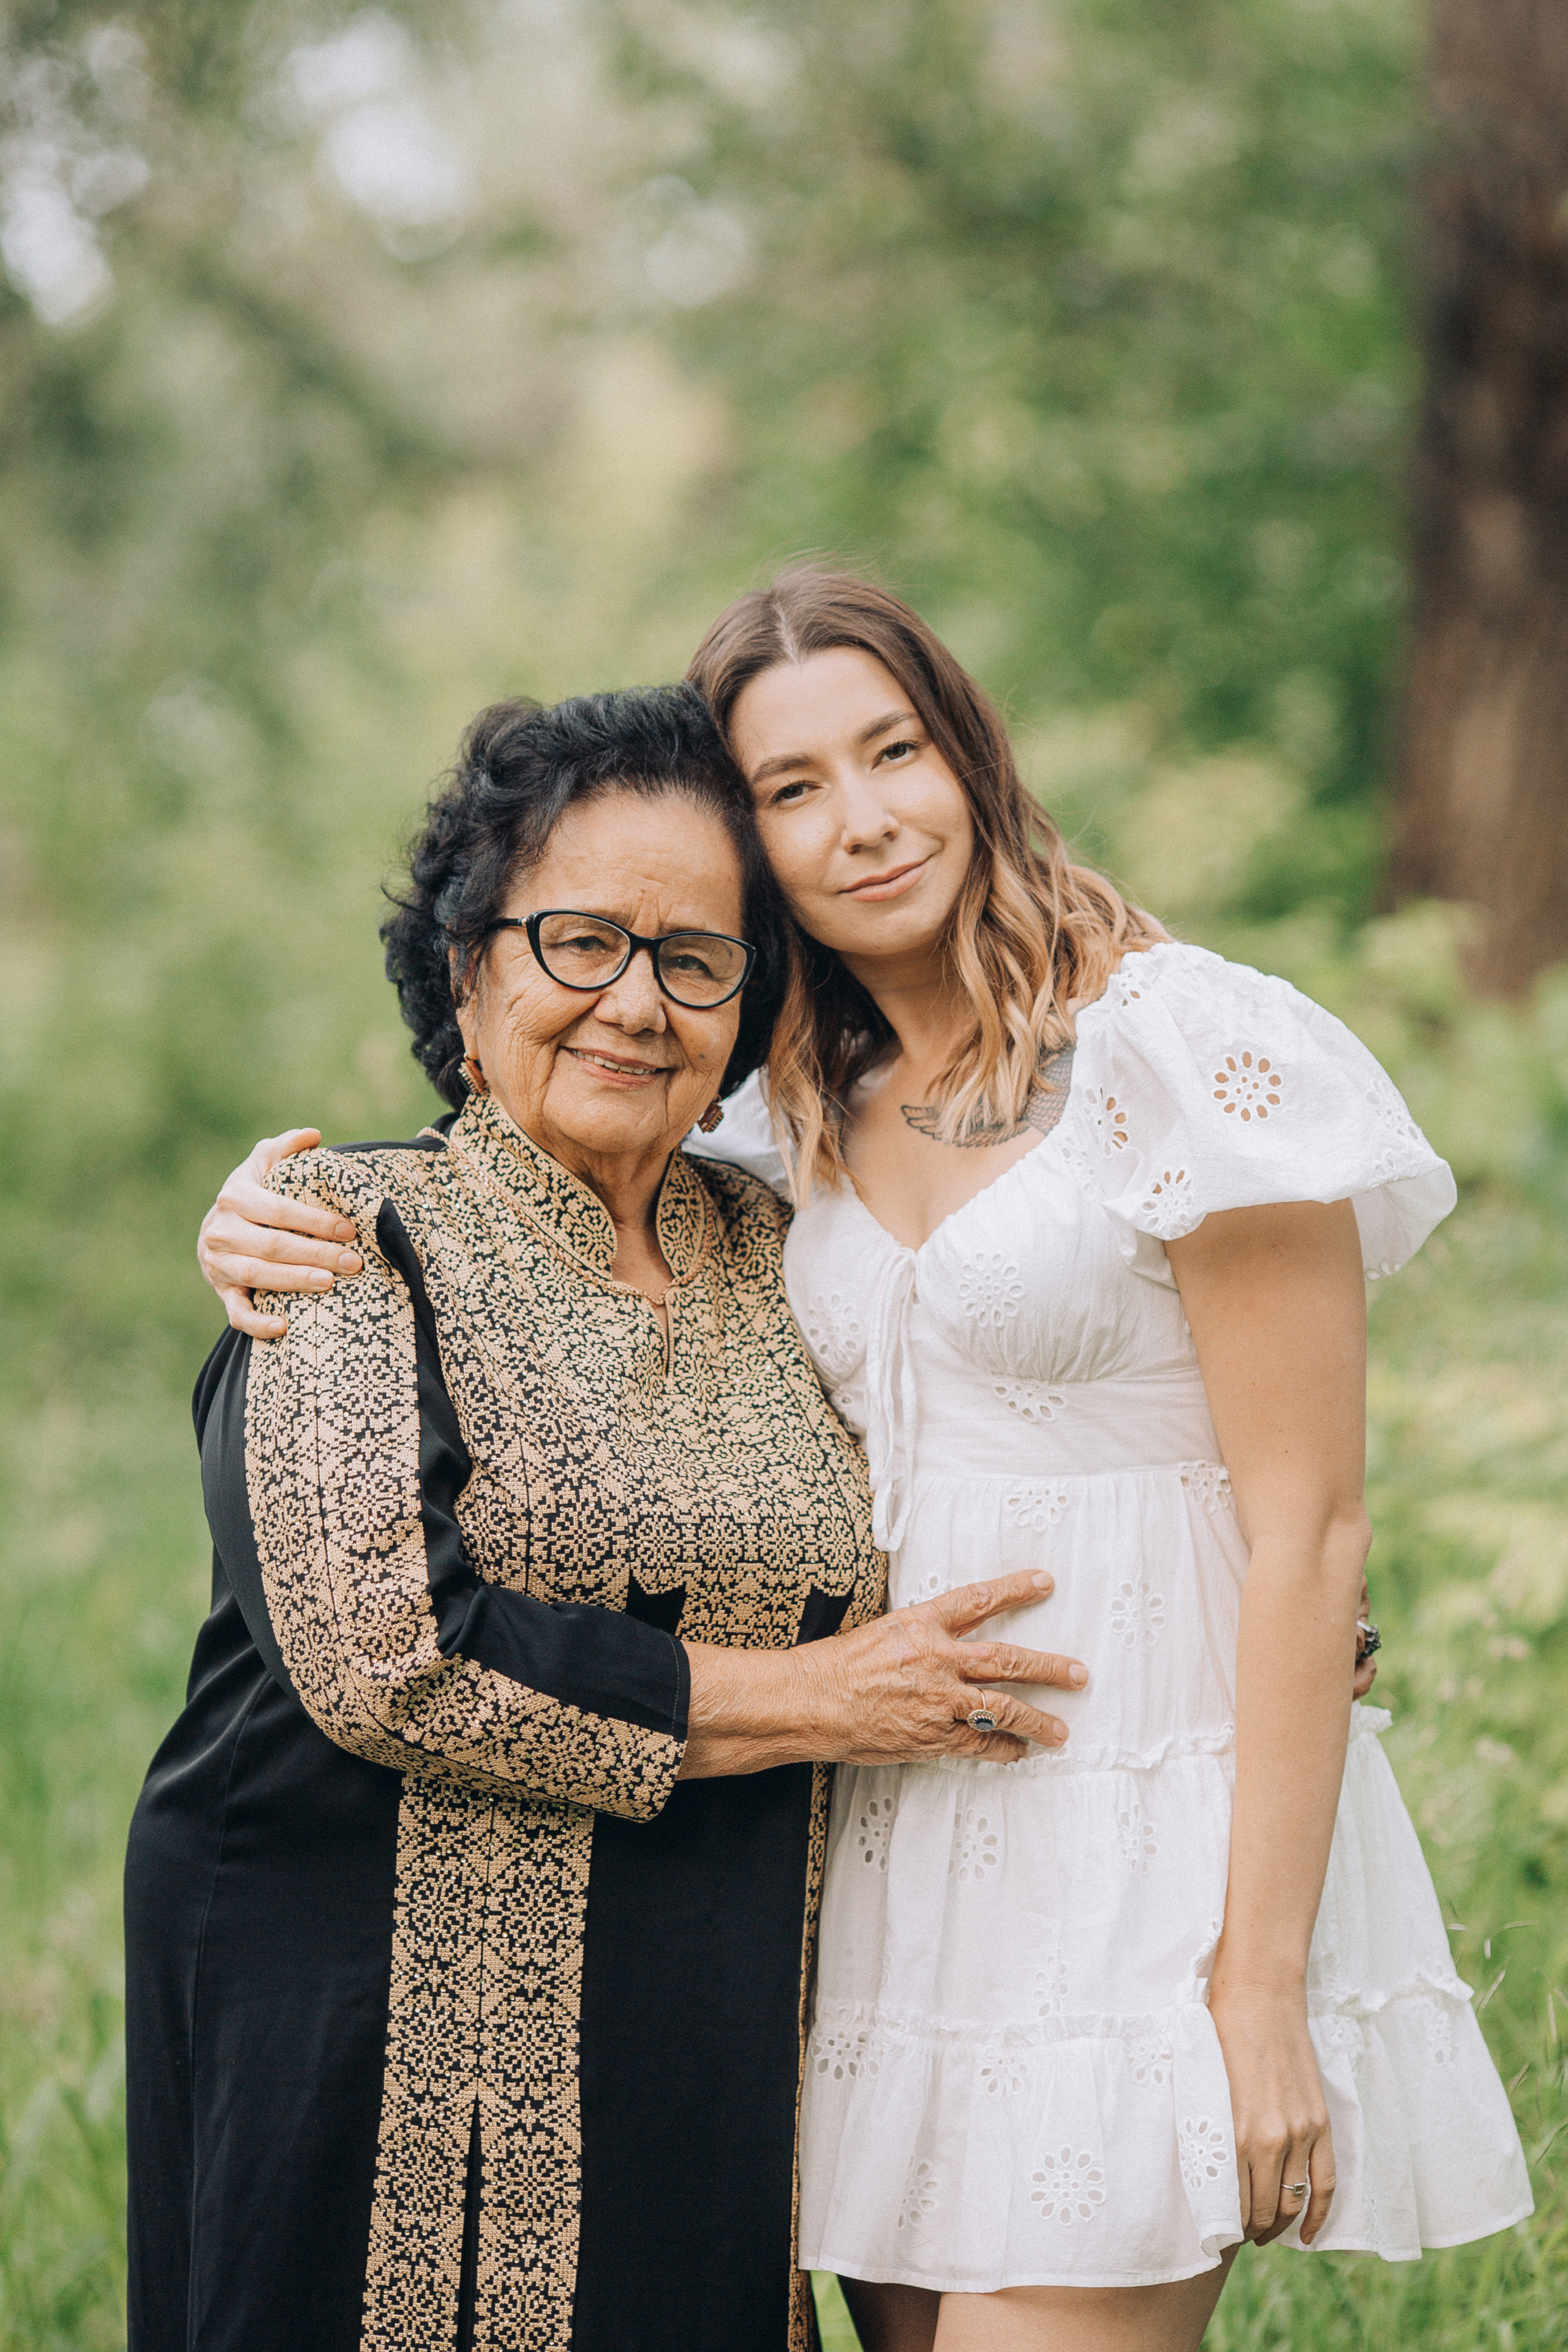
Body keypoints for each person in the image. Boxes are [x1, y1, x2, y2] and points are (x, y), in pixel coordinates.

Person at [198, 572, 1532, 2352]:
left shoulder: (1191, 1047)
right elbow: (535, 1179)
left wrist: (1259, 1986)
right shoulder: (777, 1110)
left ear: (968, 757)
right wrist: (255, 1216)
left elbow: (1310, 1534)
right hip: (874, 1856)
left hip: (1136, 1819)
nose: (866, 818)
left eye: (894, 751)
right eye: (793, 788)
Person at [128, 681, 1091, 2352]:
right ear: (467, 964)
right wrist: (819, 1698)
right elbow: (388, 1660)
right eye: (579, 940)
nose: (635, 1003)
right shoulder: (348, 1236)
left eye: (695, 957)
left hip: (691, 2007)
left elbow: (1003, 1451)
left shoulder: (784, 1246)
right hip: (356, 2006)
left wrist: (1230, 1619)